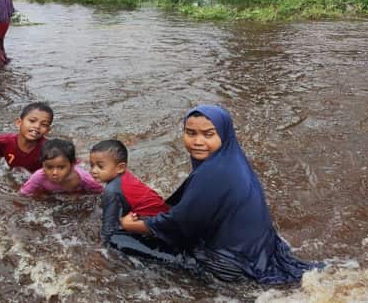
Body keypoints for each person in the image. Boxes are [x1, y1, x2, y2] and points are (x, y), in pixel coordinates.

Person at [120, 105, 319, 284]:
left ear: (224, 135)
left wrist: (131, 225)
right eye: (191, 133)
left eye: (208, 134)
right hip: (260, 249)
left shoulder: (213, 174)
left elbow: (179, 225)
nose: (198, 141)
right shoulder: (231, 159)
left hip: (234, 264)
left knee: (119, 238)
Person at [89, 140, 170, 244]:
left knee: (113, 240)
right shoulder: (123, 176)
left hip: (154, 226)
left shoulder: (111, 190)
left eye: (100, 167)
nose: (93, 171)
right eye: (92, 165)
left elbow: (109, 228)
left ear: (120, 168)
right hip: (162, 215)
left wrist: (101, 247)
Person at [19, 139, 103, 197]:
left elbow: (100, 192)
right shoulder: (39, 176)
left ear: (72, 164)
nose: (54, 172)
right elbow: (23, 194)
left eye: (61, 167)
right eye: (49, 167)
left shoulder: (83, 177)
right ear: (42, 164)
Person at [0, 102, 53, 173]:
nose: (37, 126)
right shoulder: (4, 142)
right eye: (32, 121)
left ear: (47, 130)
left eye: (44, 124)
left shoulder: (49, 151)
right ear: (19, 122)